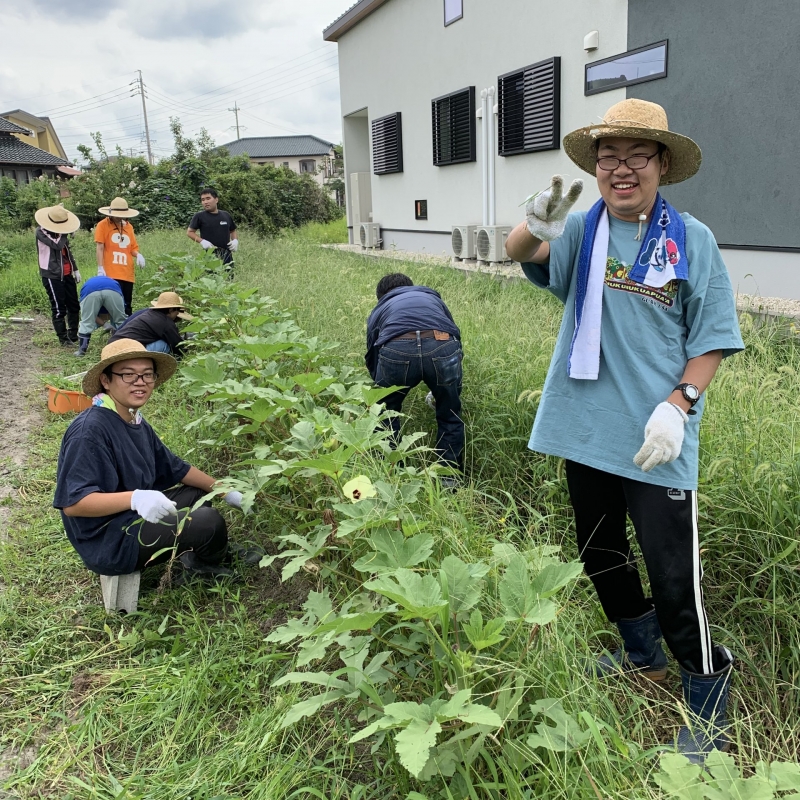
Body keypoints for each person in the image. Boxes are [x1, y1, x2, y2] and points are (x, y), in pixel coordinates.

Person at [505, 99, 744, 763]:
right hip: (585, 428)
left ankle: (707, 697)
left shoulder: (690, 239)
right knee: (599, 554)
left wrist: (680, 403)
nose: (621, 168)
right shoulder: (584, 229)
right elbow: (521, 252)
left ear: (662, 164)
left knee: (674, 582)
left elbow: (714, 339)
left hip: (656, 438)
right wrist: (531, 225)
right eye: (608, 156)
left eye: (637, 155)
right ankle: (642, 657)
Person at [54, 339, 261, 583]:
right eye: (128, 375)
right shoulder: (90, 430)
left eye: (147, 375)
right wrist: (135, 498)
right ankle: (203, 567)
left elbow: (177, 468)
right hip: (109, 540)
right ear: (106, 380)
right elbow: (75, 503)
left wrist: (226, 492)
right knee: (207, 522)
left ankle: (203, 555)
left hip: (130, 517)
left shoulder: (134, 419)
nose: (140, 382)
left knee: (199, 493)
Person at [365, 273, 463, 478]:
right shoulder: (432, 297)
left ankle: (393, 476)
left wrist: (381, 389)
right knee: (450, 414)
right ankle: (448, 479)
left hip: (396, 346)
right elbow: (454, 336)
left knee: (385, 415)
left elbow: (373, 353)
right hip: (441, 342)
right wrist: (449, 391)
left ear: (381, 296)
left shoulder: (381, 307)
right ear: (411, 287)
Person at [35, 204, 82, 346]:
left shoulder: (61, 234)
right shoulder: (41, 232)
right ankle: (63, 338)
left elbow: (67, 251)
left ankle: (73, 334)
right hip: (52, 274)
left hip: (67, 273)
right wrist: (66, 232)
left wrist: (75, 269)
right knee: (58, 307)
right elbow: (56, 245)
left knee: (73, 305)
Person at [95, 197, 146, 315]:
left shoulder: (129, 227)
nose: (119, 217)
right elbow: (100, 247)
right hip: (111, 272)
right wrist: (100, 268)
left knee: (127, 304)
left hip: (127, 272)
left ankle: (127, 331)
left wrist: (138, 255)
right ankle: (115, 331)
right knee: (113, 304)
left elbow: (132, 248)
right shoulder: (102, 225)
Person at [109, 291, 193, 357]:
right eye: (177, 311)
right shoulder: (166, 323)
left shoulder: (148, 313)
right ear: (171, 310)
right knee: (165, 344)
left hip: (112, 348)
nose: (177, 314)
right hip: (124, 353)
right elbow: (178, 347)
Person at [74, 275, 128, 357]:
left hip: (90, 290)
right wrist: (106, 324)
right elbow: (119, 313)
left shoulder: (90, 283)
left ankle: (82, 350)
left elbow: (90, 315)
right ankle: (124, 346)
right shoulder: (113, 282)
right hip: (112, 289)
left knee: (87, 321)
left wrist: (104, 324)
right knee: (120, 320)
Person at [187, 188, 238, 271]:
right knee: (211, 280)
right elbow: (190, 232)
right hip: (209, 255)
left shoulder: (226, 215)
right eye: (203, 200)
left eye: (208, 198)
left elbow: (232, 230)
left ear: (216, 199)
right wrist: (202, 241)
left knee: (229, 280)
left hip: (227, 254)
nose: (205, 202)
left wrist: (235, 240)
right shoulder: (199, 216)